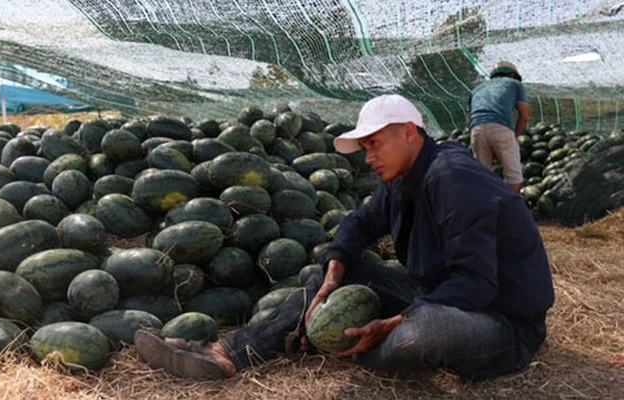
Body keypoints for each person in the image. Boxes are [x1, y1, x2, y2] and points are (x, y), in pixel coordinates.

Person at [134, 94, 555, 381]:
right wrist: (336, 270)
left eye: (374, 144)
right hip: (438, 295)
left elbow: (477, 282)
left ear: (410, 132)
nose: (369, 157)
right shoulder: (404, 178)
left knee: (419, 333)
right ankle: (229, 354)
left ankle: (341, 343)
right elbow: (360, 223)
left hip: (503, 321)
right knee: (335, 271)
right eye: (365, 148)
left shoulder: (452, 177)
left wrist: (398, 320)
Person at [469, 61, 530, 192]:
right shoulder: (515, 84)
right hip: (500, 127)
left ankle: (486, 210)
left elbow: (470, 116)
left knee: (482, 179)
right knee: (514, 179)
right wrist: (514, 137)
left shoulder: (476, 90)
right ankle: (511, 210)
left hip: (476, 130)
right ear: (513, 75)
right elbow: (524, 116)